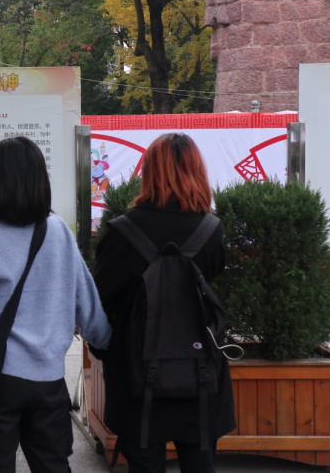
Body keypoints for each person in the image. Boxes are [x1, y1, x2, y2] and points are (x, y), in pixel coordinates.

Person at [0, 136, 111, 473]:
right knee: (54, 465)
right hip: (49, 380)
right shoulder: (59, 233)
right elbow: (87, 304)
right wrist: (107, 343)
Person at [92, 133, 236, 473]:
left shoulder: (122, 231)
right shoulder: (211, 230)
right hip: (198, 371)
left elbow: (101, 296)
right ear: (197, 170)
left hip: (137, 372)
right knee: (200, 461)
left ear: (150, 171)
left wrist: (102, 347)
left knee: (144, 461)